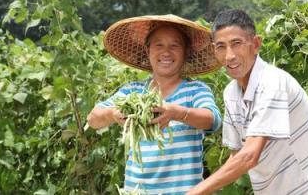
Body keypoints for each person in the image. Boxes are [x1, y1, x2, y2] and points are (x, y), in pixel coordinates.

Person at [187, 10, 308, 195]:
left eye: (236, 44)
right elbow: (237, 156)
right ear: (214, 49)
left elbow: (249, 156)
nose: (229, 55)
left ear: (255, 44)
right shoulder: (230, 93)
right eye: (221, 46)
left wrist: (195, 192)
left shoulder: (272, 82)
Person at [86, 15, 222, 194]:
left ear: (186, 52)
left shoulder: (195, 91)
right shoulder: (133, 92)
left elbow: (213, 120)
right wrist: (112, 114)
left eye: (175, 45)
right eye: (159, 45)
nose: (166, 52)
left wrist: (177, 113)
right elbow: (93, 119)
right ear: (148, 50)